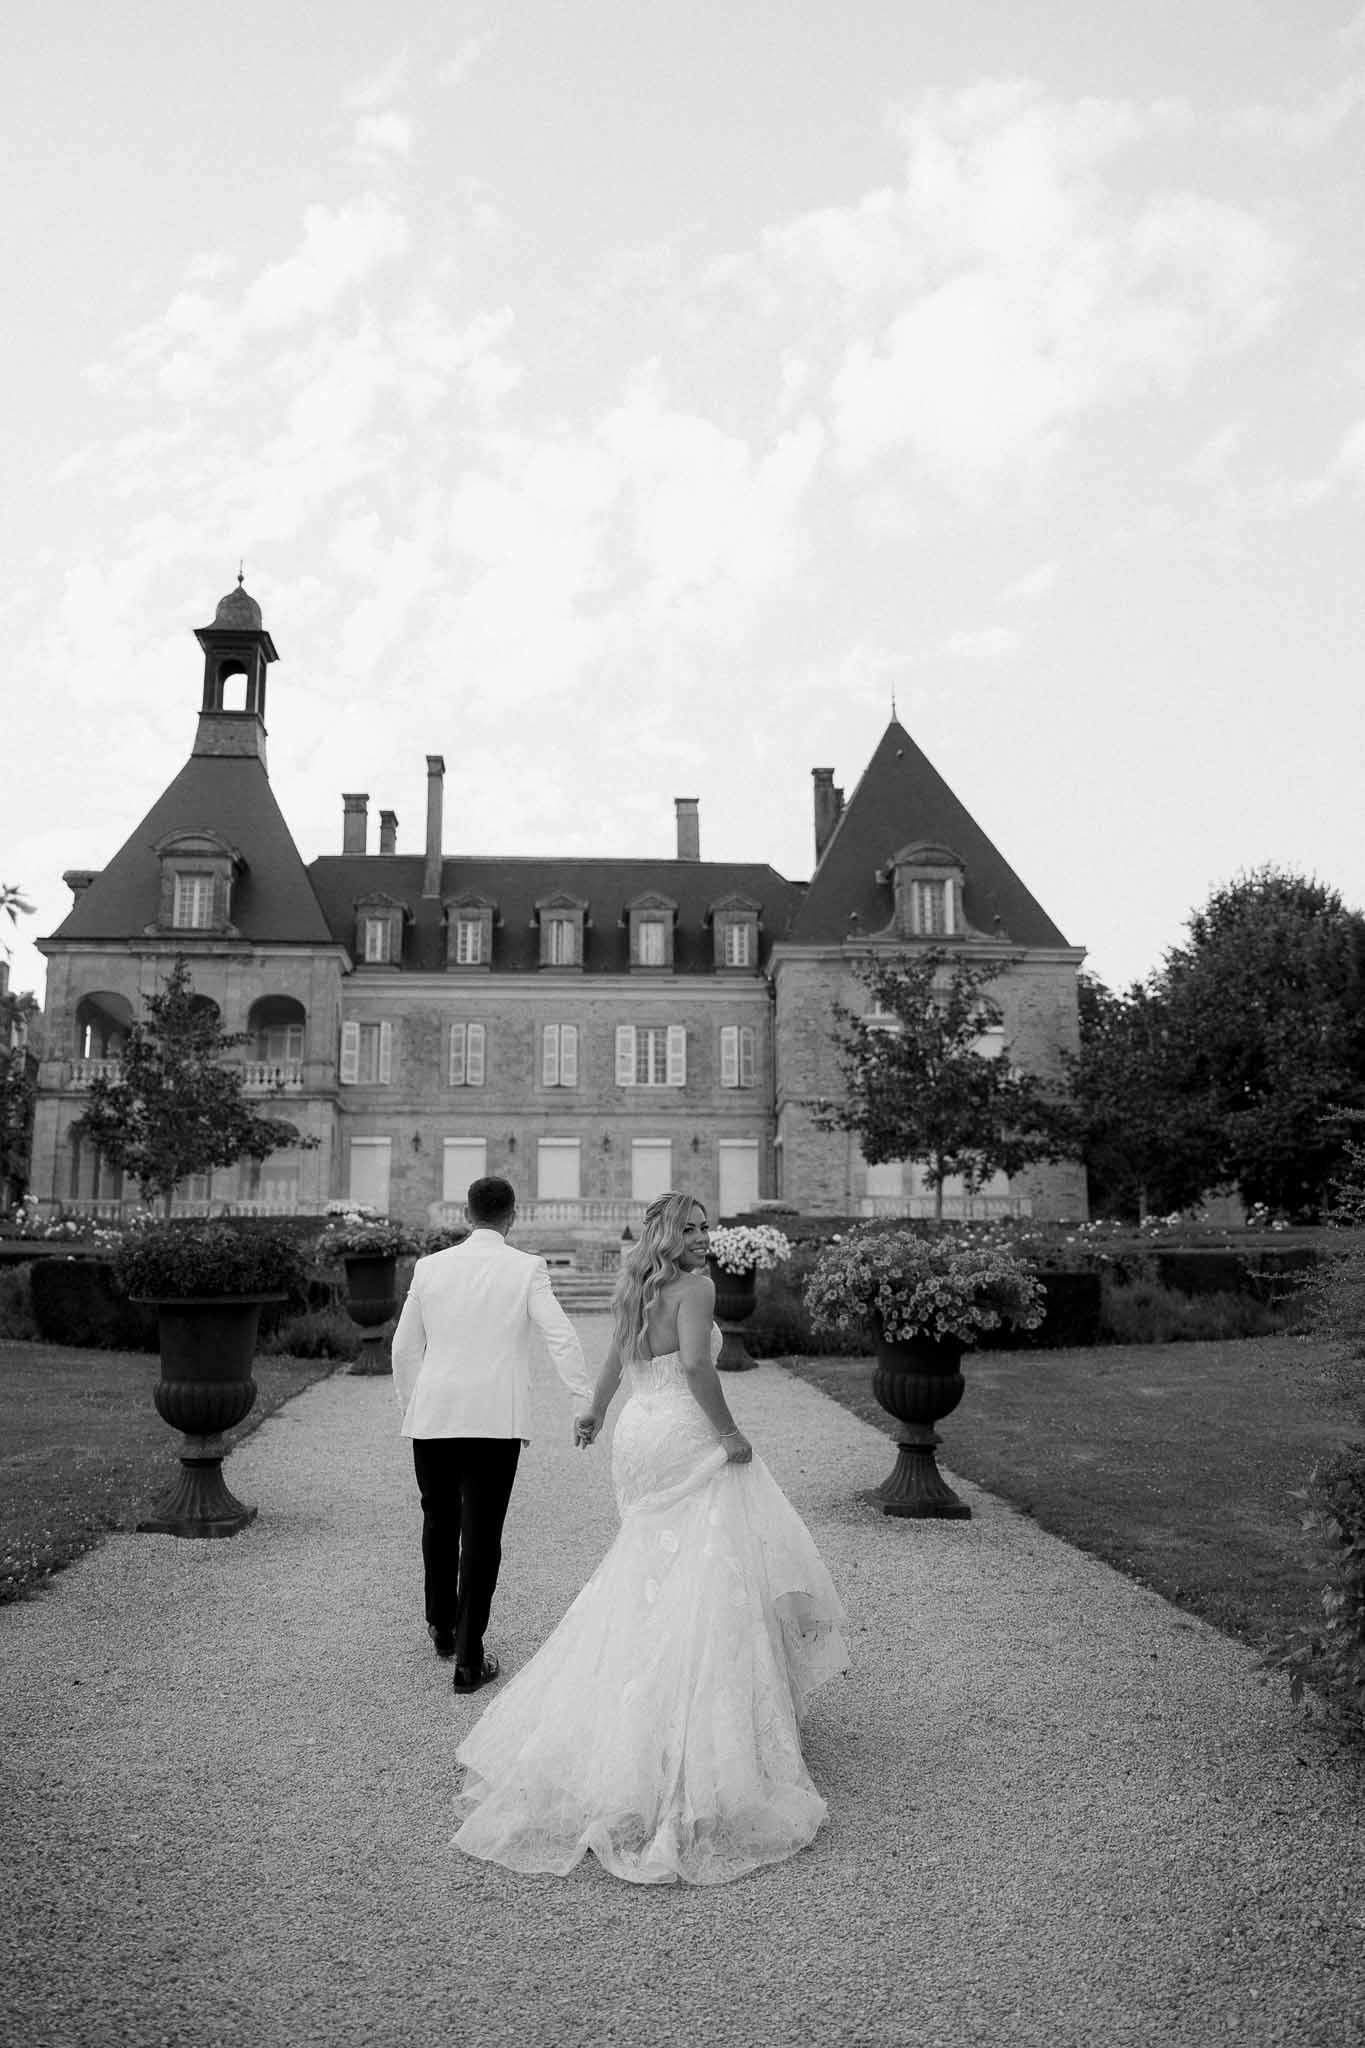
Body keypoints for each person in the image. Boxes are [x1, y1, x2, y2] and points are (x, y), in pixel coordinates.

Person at [452, 1191, 848, 1886]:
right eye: (690, 1228)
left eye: (706, 1227)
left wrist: (595, 1414)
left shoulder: (636, 1282)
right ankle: (698, 1731)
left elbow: (612, 1359)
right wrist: (728, 1433)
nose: (703, 1237)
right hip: (682, 1434)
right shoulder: (694, 1287)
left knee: (646, 1567)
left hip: (639, 1432)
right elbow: (695, 1367)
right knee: (706, 1563)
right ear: (668, 1234)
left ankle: (629, 1708)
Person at [390, 1175, 595, 1695]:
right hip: (494, 1423)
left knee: (437, 1520)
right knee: (482, 1535)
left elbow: (402, 1348)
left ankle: (440, 1627)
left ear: (466, 1215)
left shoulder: (430, 1267)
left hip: (434, 1417)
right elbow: (559, 1334)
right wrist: (581, 1399)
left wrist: (413, 1404)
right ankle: (467, 1658)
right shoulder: (527, 1268)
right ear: (513, 1217)